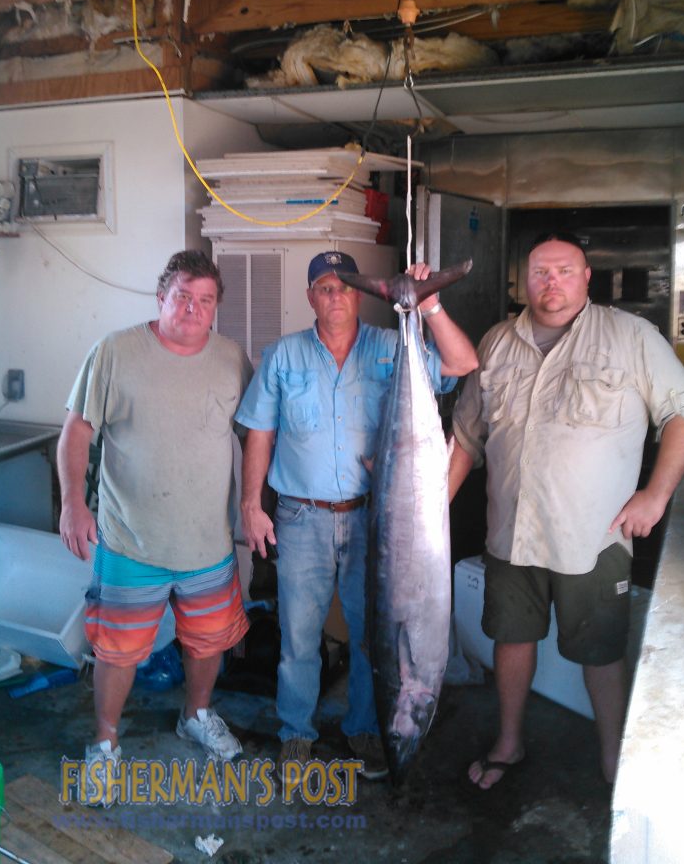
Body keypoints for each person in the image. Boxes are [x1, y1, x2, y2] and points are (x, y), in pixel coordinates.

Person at [448, 232, 684, 788]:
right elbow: (466, 437)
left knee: (600, 652)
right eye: (541, 272)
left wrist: (654, 495)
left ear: (587, 277)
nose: (552, 282)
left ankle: (615, 760)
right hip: (510, 534)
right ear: (526, 279)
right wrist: (430, 514)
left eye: (565, 271)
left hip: (593, 537)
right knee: (510, 639)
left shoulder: (630, 336)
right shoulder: (496, 342)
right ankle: (510, 743)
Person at [236, 250, 478, 779]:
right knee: (298, 634)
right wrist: (251, 505)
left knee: (377, 634)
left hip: (378, 521)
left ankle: (366, 727)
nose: (336, 297)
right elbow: (260, 432)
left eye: (345, 287)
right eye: (325, 287)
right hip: (301, 518)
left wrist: (429, 306)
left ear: (361, 295)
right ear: (310, 298)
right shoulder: (282, 357)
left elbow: (461, 365)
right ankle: (295, 731)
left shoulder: (393, 345)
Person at [57, 250, 253, 804]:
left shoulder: (232, 359)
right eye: (182, 296)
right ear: (161, 297)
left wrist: (254, 504)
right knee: (117, 652)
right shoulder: (115, 352)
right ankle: (105, 743)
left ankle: (196, 714)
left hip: (208, 543)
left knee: (207, 642)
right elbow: (77, 431)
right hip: (130, 541)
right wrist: (74, 502)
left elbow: (251, 434)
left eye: (205, 300)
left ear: (216, 309)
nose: (193, 309)